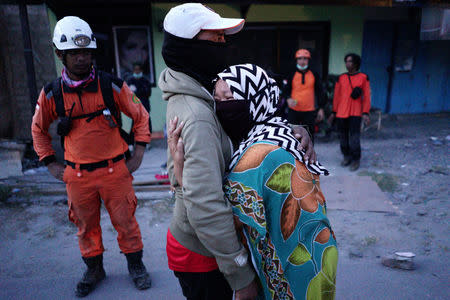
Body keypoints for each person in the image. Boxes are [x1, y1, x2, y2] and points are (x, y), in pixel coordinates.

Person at [159, 4, 316, 300]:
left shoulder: (199, 94)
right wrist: (241, 276)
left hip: (206, 244)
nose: (224, 45)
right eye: (215, 38)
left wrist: (290, 129)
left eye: (223, 38)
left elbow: (247, 129)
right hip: (203, 253)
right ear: (188, 48)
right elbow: (204, 203)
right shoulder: (198, 114)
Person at [168, 64, 337, 300]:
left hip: (295, 270)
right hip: (313, 256)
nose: (221, 107)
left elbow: (219, 214)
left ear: (255, 100)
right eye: (216, 98)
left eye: (229, 98)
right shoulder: (275, 133)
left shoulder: (257, 156)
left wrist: (181, 171)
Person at [31, 16, 151, 297]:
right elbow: (38, 130)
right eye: (75, 53)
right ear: (61, 54)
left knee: (126, 223)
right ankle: (95, 269)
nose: (83, 59)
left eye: (86, 52)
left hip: (116, 171)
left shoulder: (112, 85)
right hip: (77, 175)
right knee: (85, 227)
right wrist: (50, 163)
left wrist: (138, 155)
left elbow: (141, 116)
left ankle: (136, 266)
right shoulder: (51, 94)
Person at [331, 53, 371, 171]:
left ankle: (355, 159)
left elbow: (367, 97)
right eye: (346, 61)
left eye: (350, 61)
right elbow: (336, 96)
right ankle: (346, 157)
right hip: (341, 112)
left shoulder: (364, 77)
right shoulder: (341, 78)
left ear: (356, 63)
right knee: (343, 137)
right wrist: (334, 111)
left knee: (354, 138)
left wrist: (365, 113)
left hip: (356, 112)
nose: (347, 64)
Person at [284, 49, 327, 143]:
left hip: (309, 111)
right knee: (292, 135)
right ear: (296, 60)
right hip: (293, 110)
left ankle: (309, 156)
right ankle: (294, 156)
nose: (302, 61)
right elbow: (285, 90)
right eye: (300, 59)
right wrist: (288, 98)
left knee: (309, 135)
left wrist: (321, 108)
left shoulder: (314, 74)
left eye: (305, 59)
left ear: (308, 60)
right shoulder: (291, 73)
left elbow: (320, 91)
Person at [127, 63, 152, 133]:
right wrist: (139, 91)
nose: (137, 71)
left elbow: (148, 93)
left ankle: (148, 139)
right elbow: (129, 94)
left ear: (141, 70)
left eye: (138, 69)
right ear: (133, 71)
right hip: (134, 106)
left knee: (147, 122)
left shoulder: (145, 81)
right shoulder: (130, 81)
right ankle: (131, 142)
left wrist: (137, 91)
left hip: (145, 105)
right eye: (135, 70)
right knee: (134, 123)